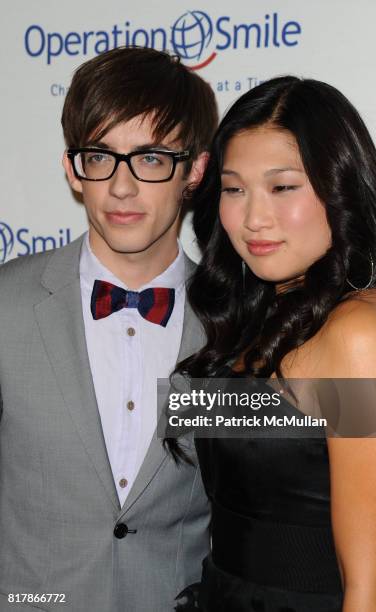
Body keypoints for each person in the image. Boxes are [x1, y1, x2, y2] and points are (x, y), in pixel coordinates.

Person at [167, 76, 376, 611]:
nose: (254, 218)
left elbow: (375, 585)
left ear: (339, 186)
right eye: (234, 189)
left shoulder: (360, 336)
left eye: (283, 187)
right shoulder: (257, 310)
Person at [0, 47, 218, 612]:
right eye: (101, 156)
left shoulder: (236, 324)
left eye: (150, 158)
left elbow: (333, 458)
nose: (121, 187)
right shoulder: (6, 304)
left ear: (194, 169)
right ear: (73, 168)